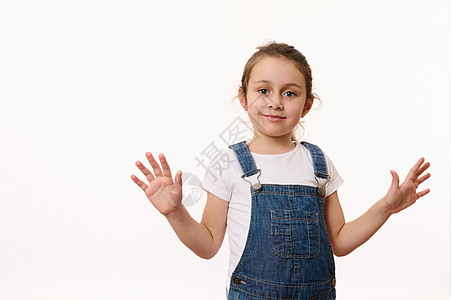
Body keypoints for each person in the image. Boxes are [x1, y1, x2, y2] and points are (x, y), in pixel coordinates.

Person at [130, 42, 431, 300]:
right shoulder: (229, 162)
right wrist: (174, 212)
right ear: (243, 97)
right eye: (263, 90)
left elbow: (339, 240)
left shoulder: (318, 162)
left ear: (307, 104)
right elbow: (208, 245)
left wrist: (386, 208)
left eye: (290, 93)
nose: (275, 102)